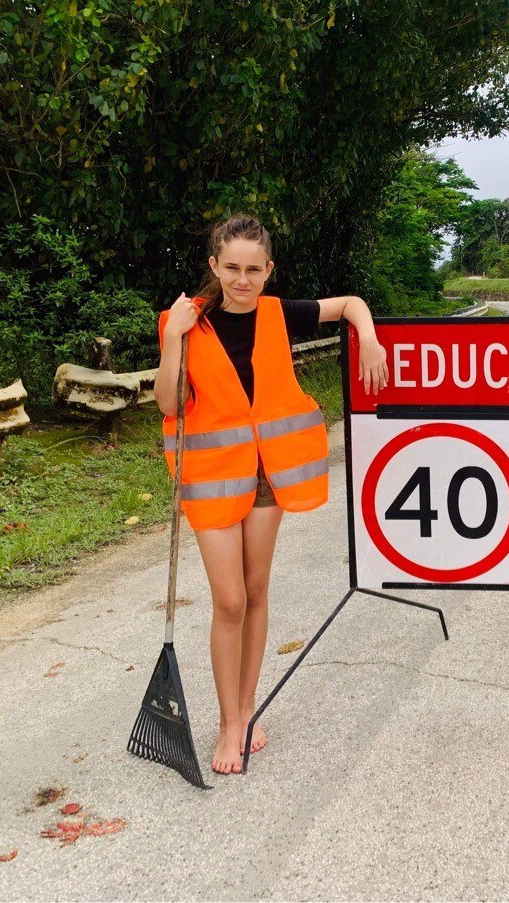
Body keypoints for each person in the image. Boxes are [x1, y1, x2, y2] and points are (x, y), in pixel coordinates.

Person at [154, 214, 388, 775]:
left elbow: (351, 304)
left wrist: (370, 339)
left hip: (269, 476)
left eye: (254, 269)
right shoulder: (185, 321)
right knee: (230, 600)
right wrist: (173, 339)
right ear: (214, 266)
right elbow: (167, 404)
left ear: (268, 270)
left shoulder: (280, 313)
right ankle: (226, 722)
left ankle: (244, 711)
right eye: (232, 267)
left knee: (256, 591)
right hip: (211, 476)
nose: (243, 279)